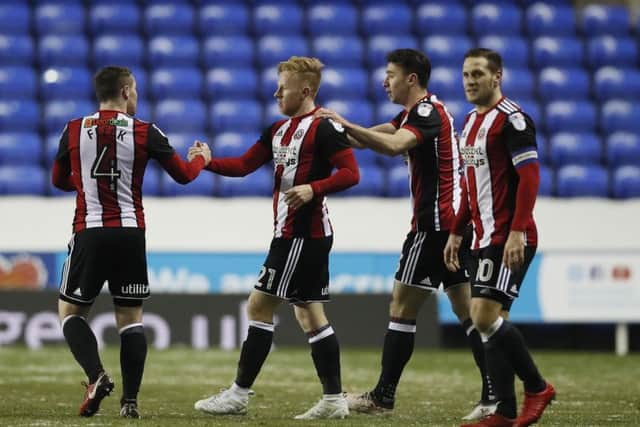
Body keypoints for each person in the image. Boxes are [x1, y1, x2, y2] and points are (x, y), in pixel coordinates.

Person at [315, 48, 494, 419]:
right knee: (468, 311)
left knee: (401, 307)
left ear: (411, 79)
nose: (385, 81)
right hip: (453, 227)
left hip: (433, 227)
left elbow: (395, 144)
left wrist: (344, 122)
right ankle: (493, 395)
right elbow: (380, 136)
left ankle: (383, 396)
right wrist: (337, 133)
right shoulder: (420, 112)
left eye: (391, 74)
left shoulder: (427, 113)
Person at [191, 56, 359, 420]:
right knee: (310, 313)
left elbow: (351, 173)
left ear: (305, 90)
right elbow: (244, 165)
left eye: (282, 87)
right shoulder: (278, 130)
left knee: (259, 306)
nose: (275, 92)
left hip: (301, 234)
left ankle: (238, 394)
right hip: (297, 234)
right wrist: (209, 162)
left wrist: (314, 189)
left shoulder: (325, 128)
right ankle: (333, 400)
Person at [52, 66, 211, 419]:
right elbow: (184, 177)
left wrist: (87, 183)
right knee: (130, 317)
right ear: (126, 91)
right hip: (130, 233)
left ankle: (96, 377)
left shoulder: (74, 129)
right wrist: (200, 159)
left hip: (90, 231)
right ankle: (130, 403)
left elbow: (58, 180)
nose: (136, 96)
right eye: (135, 90)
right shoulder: (145, 132)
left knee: (70, 312)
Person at [444, 48, 555, 427]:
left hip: (508, 237)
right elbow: (469, 183)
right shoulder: (470, 122)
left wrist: (518, 230)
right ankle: (504, 412)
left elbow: (530, 176)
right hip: (482, 236)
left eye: (477, 74)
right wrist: (457, 231)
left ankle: (537, 387)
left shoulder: (514, 120)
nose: (470, 81)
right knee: (492, 321)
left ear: (497, 77)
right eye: (465, 75)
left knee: (483, 315)